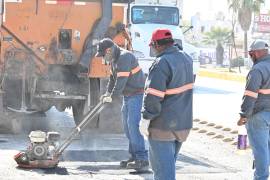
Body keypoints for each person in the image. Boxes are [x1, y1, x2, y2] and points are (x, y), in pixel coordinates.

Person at [139, 28, 193, 180]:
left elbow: (153, 97)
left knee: (163, 173)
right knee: (168, 167)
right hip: (182, 125)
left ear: (157, 44)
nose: (153, 50)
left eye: (152, 46)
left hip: (162, 127)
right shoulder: (187, 58)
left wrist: (146, 118)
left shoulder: (161, 63)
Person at [95, 38, 149, 170]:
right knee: (126, 126)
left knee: (133, 126)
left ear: (109, 50)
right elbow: (113, 79)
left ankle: (142, 159)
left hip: (136, 94)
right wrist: (107, 93)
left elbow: (121, 81)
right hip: (128, 95)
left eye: (103, 54)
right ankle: (134, 156)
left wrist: (112, 97)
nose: (103, 58)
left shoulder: (125, 57)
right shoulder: (114, 59)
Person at [237, 39, 270, 180]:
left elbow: (250, 95)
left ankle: (261, 177)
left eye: (251, 53)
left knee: (260, 151)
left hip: (259, 116)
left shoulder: (258, 69)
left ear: (256, 53)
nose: (251, 57)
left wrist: (243, 115)